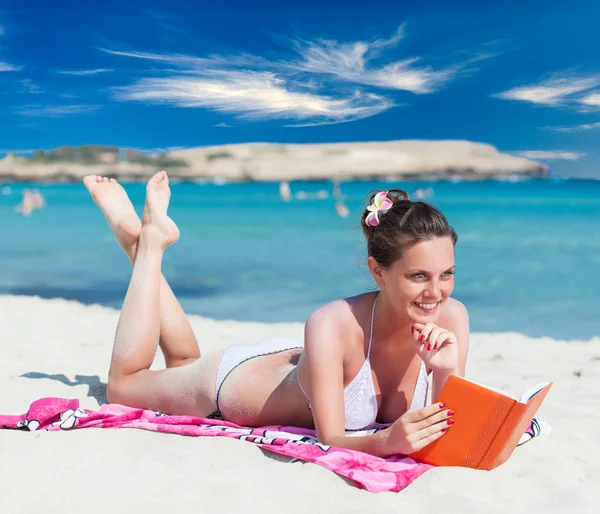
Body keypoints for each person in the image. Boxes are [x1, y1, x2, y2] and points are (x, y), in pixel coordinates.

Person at [83, 172, 469, 458]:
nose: (436, 293)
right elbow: (331, 439)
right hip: (230, 386)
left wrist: (446, 367)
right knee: (125, 385)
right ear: (377, 271)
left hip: (297, 366)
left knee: (183, 360)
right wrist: (388, 442)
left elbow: (448, 430)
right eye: (418, 276)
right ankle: (149, 245)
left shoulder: (452, 319)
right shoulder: (334, 323)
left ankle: (139, 239)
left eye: (446, 274)